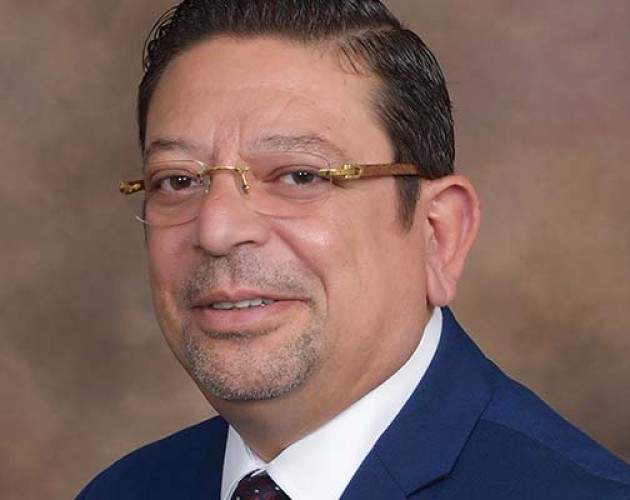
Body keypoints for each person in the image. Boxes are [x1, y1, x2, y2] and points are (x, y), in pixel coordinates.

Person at [78, 1, 630, 498]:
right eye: (177, 181)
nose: (216, 229)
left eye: (298, 175)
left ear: (439, 234)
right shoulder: (124, 489)